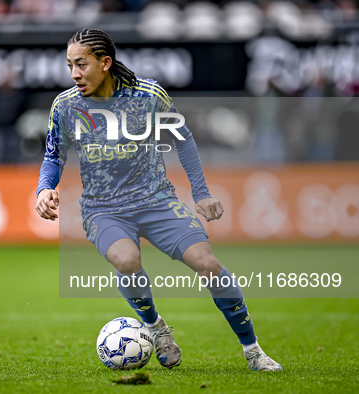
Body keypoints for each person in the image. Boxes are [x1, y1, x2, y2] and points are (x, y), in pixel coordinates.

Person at [35, 28, 282, 372]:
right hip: (103, 209)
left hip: (156, 201)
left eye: (81, 64)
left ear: (105, 63)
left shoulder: (148, 95)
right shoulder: (66, 106)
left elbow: (183, 139)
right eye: (69, 65)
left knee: (209, 266)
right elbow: (53, 156)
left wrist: (202, 193)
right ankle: (155, 328)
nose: (74, 73)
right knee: (127, 260)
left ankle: (253, 351)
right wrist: (44, 188)